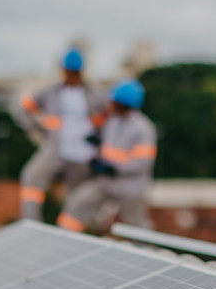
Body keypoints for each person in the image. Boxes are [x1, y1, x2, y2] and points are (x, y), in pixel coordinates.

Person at [16, 48, 108, 221]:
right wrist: (36, 127)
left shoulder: (95, 95)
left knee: (74, 198)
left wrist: (100, 140)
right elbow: (23, 109)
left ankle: (68, 234)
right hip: (56, 149)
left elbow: (110, 117)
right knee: (32, 177)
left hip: (82, 154)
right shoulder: (51, 92)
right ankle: (31, 222)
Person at [56, 79, 157, 232]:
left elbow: (142, 163)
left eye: (114, 100)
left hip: (131, 188)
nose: (110, 103)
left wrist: (114, 168)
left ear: (122, 103)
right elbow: (108, 149)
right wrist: (96, 150)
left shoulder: (143, 128)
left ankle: (143, 250)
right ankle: (65, 237)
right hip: (107, 183)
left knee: (136, 227)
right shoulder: (112, 121)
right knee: (78, 202)